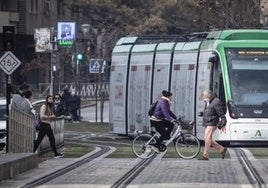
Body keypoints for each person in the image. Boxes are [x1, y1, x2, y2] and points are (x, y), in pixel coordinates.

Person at [198, 90, 227, 160]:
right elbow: (210, 110)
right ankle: (222, 149)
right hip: (208, 122)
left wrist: (223, 121)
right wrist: (203, 113)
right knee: (208, 138)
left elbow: (220, 113)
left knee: (207, 138)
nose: (204, 98)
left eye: (205, 96)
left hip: (212, 122)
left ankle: (205, 155)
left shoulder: (216, 102)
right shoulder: (208, 101)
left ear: (209, 95)